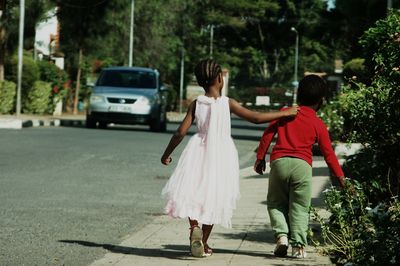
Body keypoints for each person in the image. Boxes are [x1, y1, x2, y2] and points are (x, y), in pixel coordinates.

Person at [160, 59, 299, 258]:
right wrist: (285, 113)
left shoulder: (196, 104)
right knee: (215, 195)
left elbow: (180, 132)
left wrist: (167, 154)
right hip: (221, 155)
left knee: (193, 189)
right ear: (220, 79)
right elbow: (256, 118)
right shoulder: (228, 103)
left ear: (200, 82)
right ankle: (204, 242)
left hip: (198, 150)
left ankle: (194, 228)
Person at [253, 74, 345, 259]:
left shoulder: (285, 113)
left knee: (276, 203)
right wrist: (341, 177)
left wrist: (260, 157)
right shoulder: (318, 124)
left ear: (298, 95)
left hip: (279, 163)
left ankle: (281, 236)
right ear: (321, 101)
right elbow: (329, 155)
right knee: (300, 207)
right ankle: (299, 246)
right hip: (302, 166)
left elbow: (268, 133)